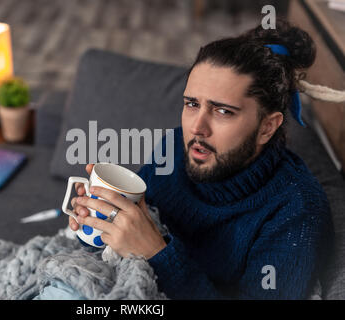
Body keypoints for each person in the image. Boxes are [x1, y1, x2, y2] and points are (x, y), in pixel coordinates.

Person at [68, 20, 334, 299]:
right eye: (192, 104)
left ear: (267, 126)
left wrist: (157, 253)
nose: (197, 128)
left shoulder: (297, 212)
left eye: (223, 111)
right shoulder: (173, 148)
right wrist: (98, 224)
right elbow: (125, 241)